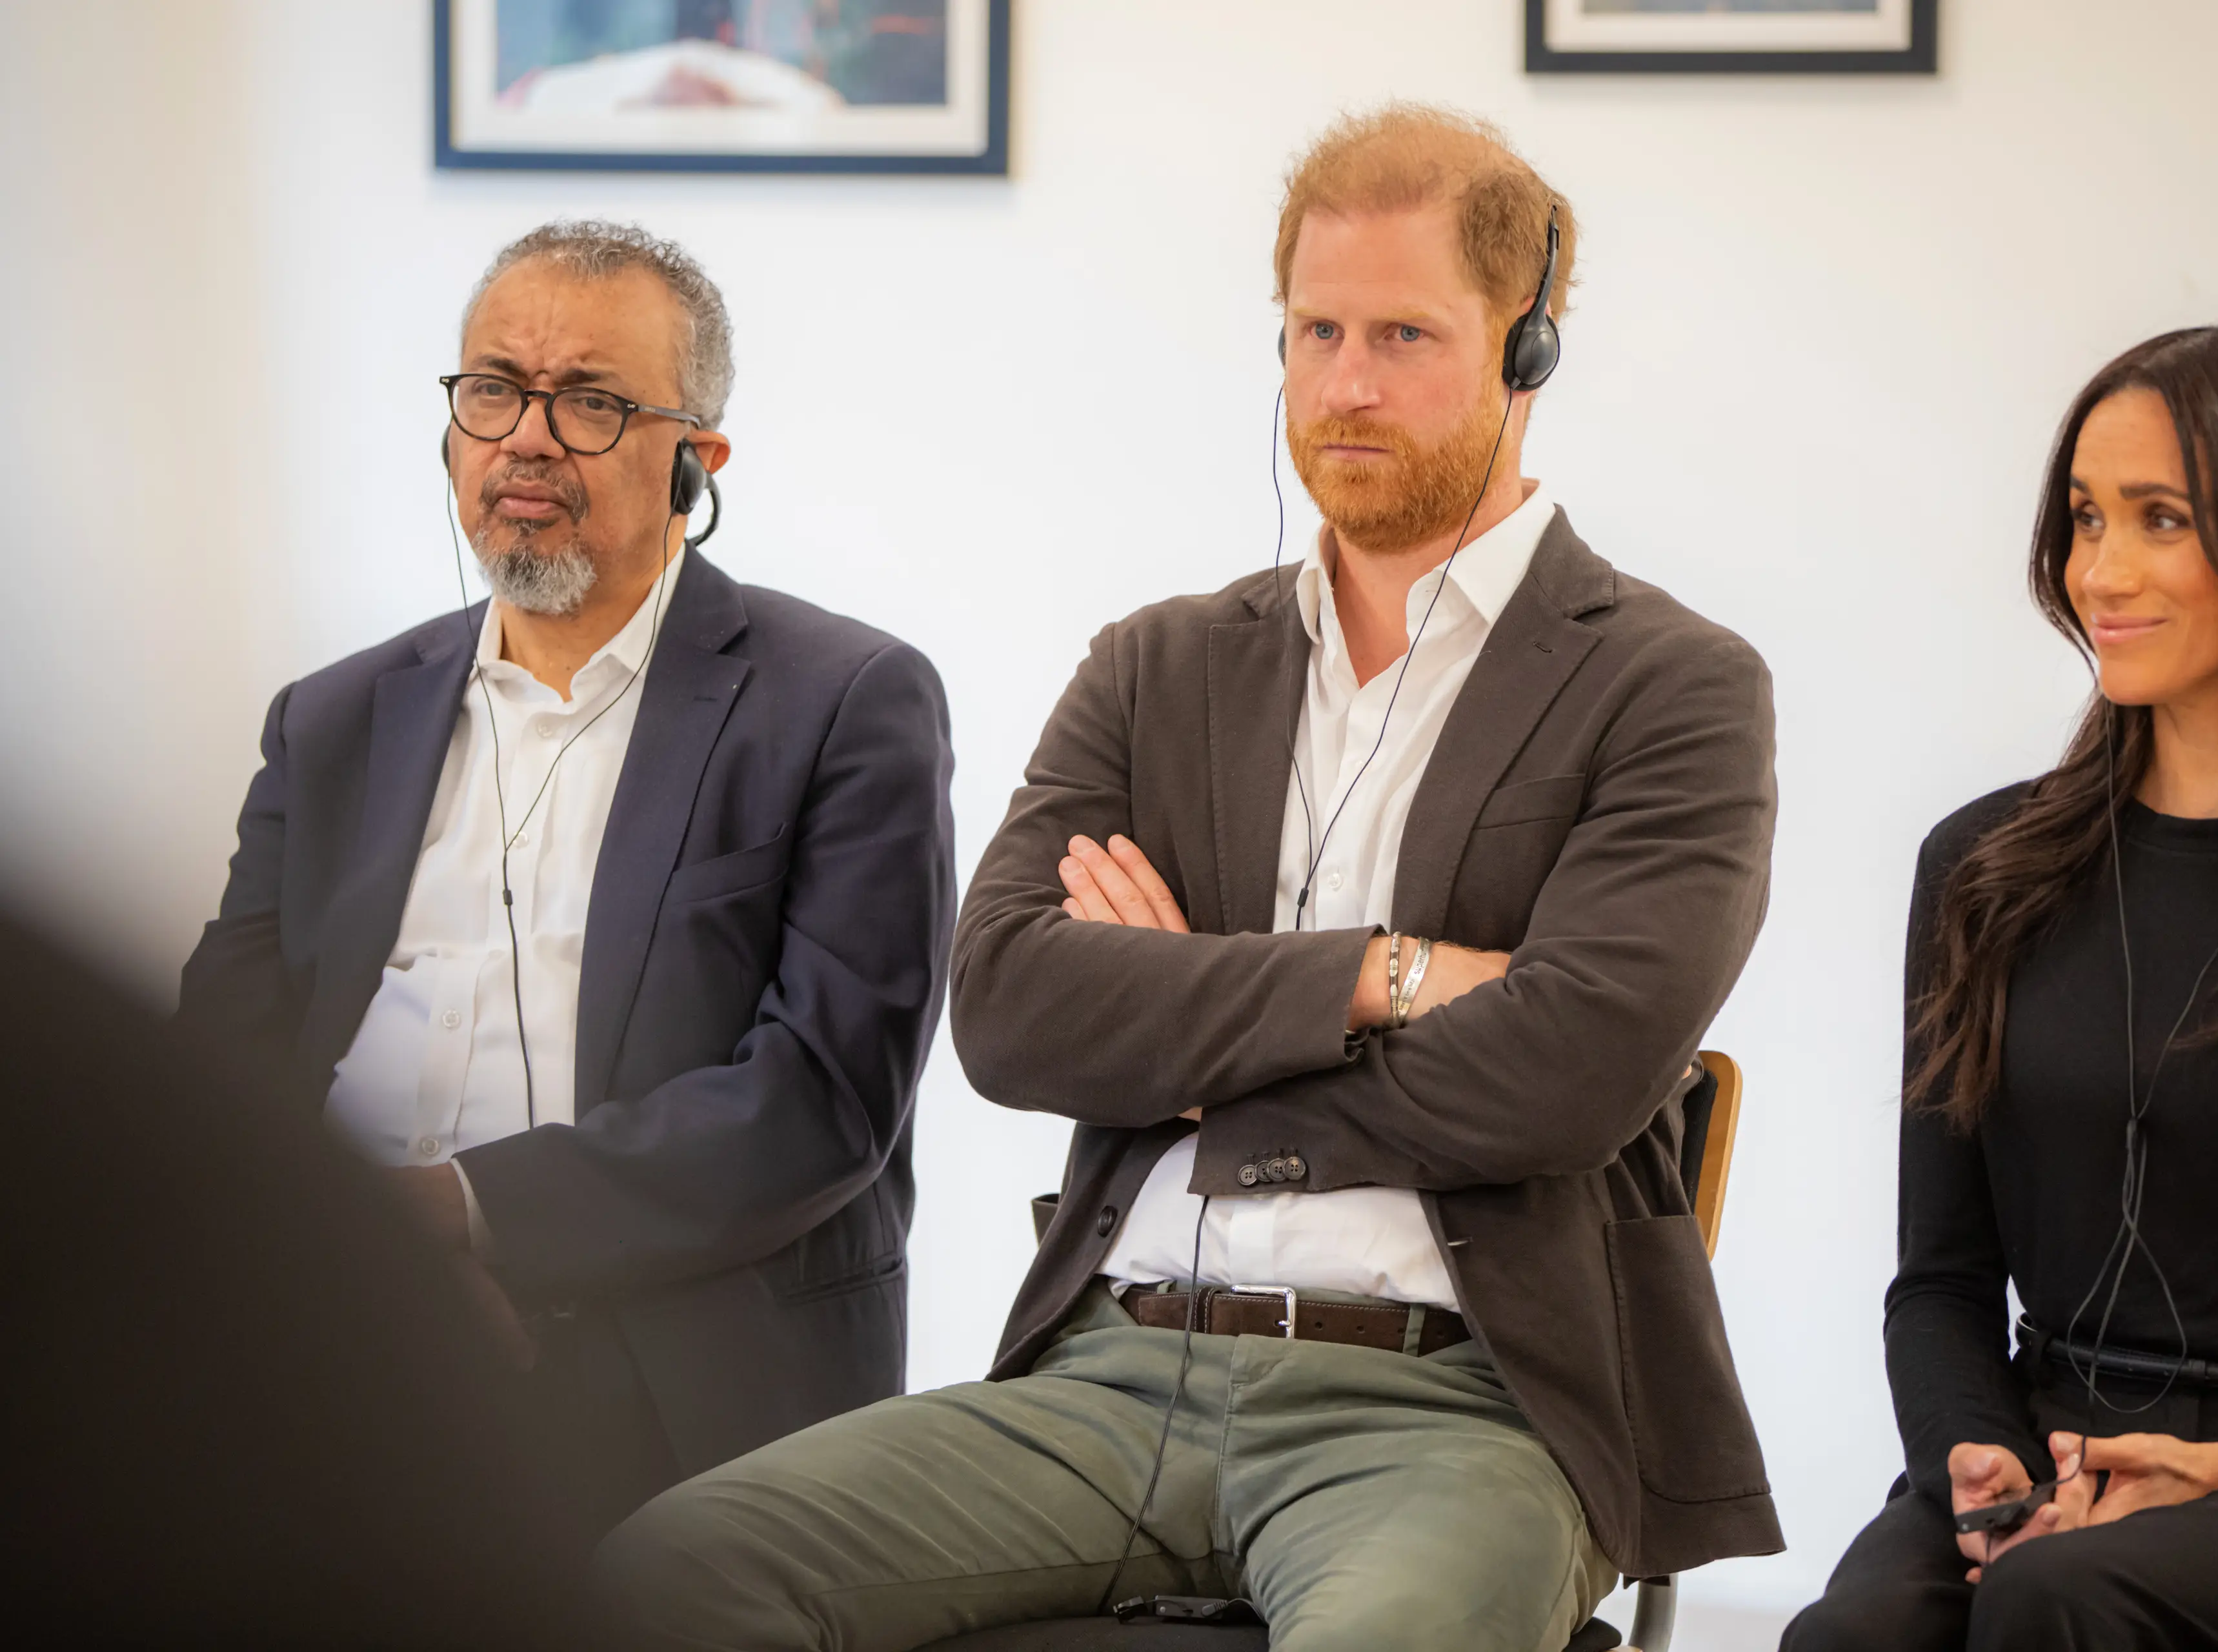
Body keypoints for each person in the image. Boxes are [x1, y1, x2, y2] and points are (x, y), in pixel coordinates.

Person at [598, 105, 1782, 1651]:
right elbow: (1015, 1015)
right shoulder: (1156, 666)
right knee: (660, 1570)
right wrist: (1383, 975)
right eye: (1315, 329)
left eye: (1405, 333)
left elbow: (1572, 1072)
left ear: (1526, 351)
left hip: (1450, 1406)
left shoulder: (1669, 683)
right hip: (1110, 1368)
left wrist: (1185, 1049)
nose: (1345, 384)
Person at [179, 220, 956, 1542]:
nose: (528, 436)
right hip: (338, 1330)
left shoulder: (842, 700)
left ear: (695, 463)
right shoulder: (337, 717)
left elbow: (822, 1099)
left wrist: (465, 1220)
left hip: (670, 1362)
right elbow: (222, 1061)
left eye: (593, 400)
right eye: (494, 387)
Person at [1782, 327, 2218, 1649]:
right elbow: (1938, 1280)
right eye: (2085, 517)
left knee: (2066, 1600)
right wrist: (1974, 1461)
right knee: (1855, 1635)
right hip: (2065, 1452)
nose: (2097, 570)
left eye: (2161, 519)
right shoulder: (1981, 868)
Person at [6, 907, 589, 1649]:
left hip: (605, 1295)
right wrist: (370, 1260)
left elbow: (777, 1091)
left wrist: (467, 1211)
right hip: (306, 1277)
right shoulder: (314, 785)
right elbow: (223, 1025)